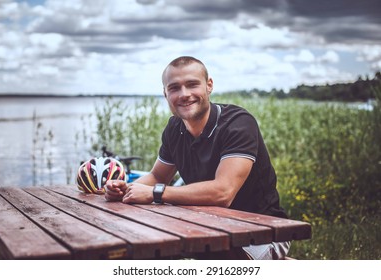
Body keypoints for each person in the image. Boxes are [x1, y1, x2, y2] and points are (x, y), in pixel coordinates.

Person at [105, 56, 290, 259]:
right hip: (207, 226)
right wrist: (125, 190)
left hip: (262, 231)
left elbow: (223, 192)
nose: (184, 95)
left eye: (192, 84)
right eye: (174, 88)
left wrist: (155, 193)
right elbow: (157, 176)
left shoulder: (238, 124)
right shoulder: (174, 128)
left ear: (209, 86)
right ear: (165, 93)